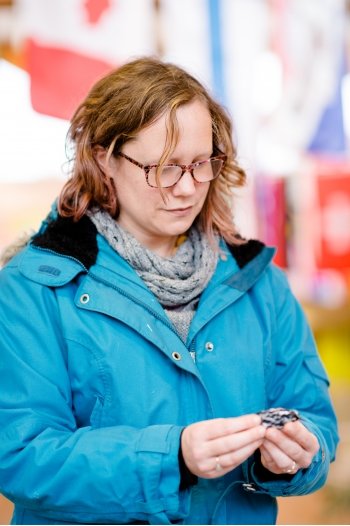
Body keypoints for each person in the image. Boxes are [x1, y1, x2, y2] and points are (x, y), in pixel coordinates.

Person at [0, 57, 338, 525]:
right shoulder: (32, 288)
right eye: (163, 168)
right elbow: (20, 455)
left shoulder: (261, 282)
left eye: (201, 164)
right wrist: (171, 457)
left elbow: (314, 418)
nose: (186, 189)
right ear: (105, 159)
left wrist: (295, 456)